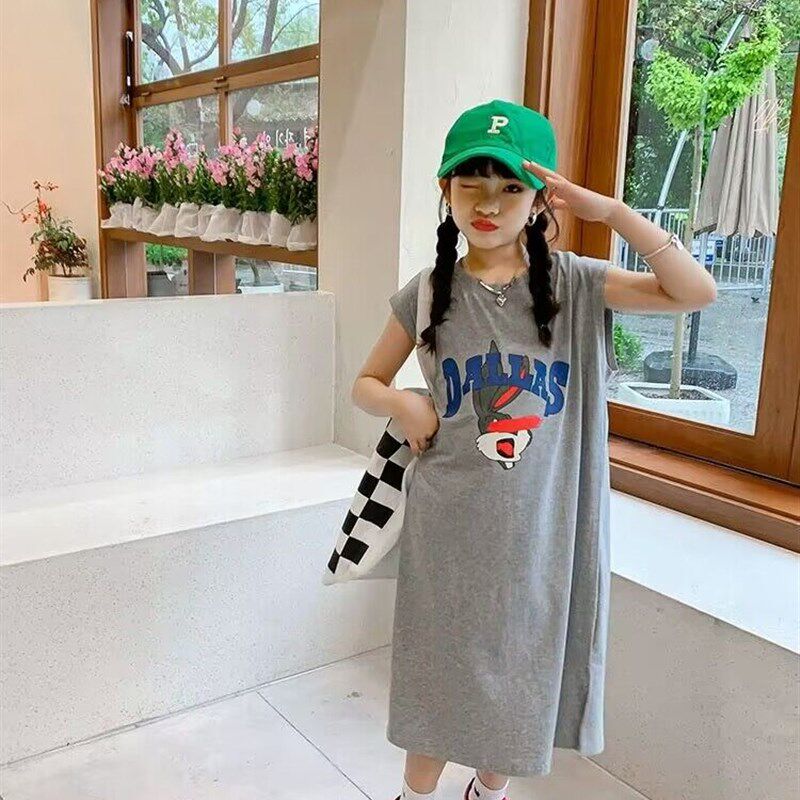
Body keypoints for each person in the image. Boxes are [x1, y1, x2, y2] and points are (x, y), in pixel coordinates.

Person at [350, 99, 717, 800]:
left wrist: (612, 212)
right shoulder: (426, 295)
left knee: (520, 685)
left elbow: (694, 292)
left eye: (510, 187)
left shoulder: (576, 284)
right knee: (436, 681)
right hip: (448, 529)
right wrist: (403, 401)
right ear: (446, 191)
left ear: (540, 198)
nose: (488, 205)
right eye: (471, 185)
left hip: (542, 535)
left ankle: (488, 793)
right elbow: (365, 383)